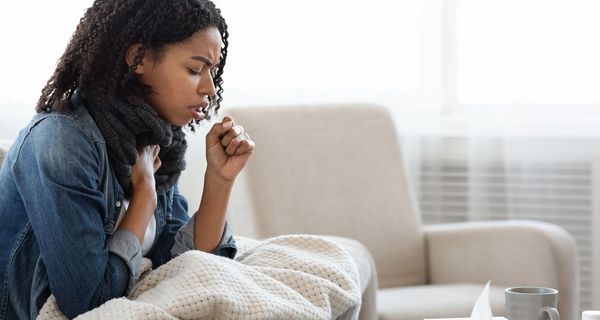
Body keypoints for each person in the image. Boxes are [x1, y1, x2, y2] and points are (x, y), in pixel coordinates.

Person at [0, 0, 255, 318]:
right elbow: (88, 300)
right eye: (194, 69)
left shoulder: (155, 142)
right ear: (139, 58)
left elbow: (181, 265)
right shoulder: (61, 141)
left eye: (212, 72)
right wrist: (144, 197)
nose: (209, 89)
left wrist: (219, 179)